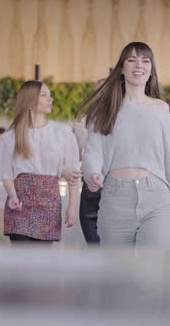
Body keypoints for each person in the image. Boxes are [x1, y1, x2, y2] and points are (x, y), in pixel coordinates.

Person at [79, 42, 170, 248]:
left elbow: (168, 157)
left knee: (152, 275)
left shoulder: (160, 109)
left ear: (151, 70)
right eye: (131, 60)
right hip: (115, 198)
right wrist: (92, 173)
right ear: (122, 68)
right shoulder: (103, 108)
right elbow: (92, 152)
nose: (139, 64)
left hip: (157, 197)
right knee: (117, 276)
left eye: (145, 60)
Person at [0, 81, 79, 244]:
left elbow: (73, 174)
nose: (51, 99)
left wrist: (72, 206)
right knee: (22, 263)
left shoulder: (63, 133)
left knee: (41, 263)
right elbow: (6, 175)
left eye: (50, 95)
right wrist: (13, 196)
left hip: (49, 204)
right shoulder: (10, 137)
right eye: (44, 95)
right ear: (29, 100)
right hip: (19, 205)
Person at [68, 78, 106, 244]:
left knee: (94, 241)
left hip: (93, 182)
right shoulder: (125, 118)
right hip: (103, 183)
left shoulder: (84, 120)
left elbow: (74, 156)